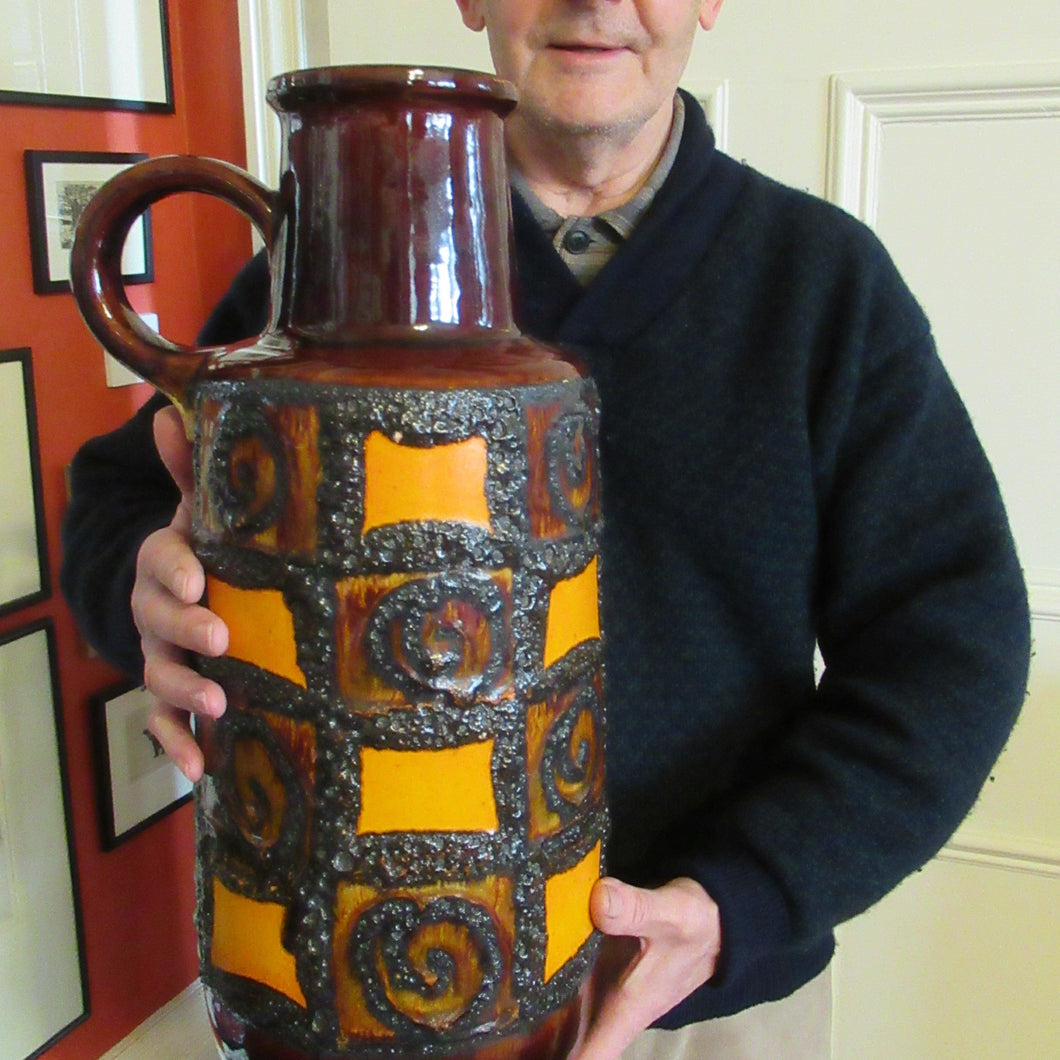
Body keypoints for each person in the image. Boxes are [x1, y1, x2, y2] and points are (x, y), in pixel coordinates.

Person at [60, 1, 1030, 1058]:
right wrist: (146, 596)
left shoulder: (823, 283)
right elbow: (123, 499)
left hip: (699, 998)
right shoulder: (321, 283)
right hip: (344, 1004)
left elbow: (953, 644)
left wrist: (748, 894)